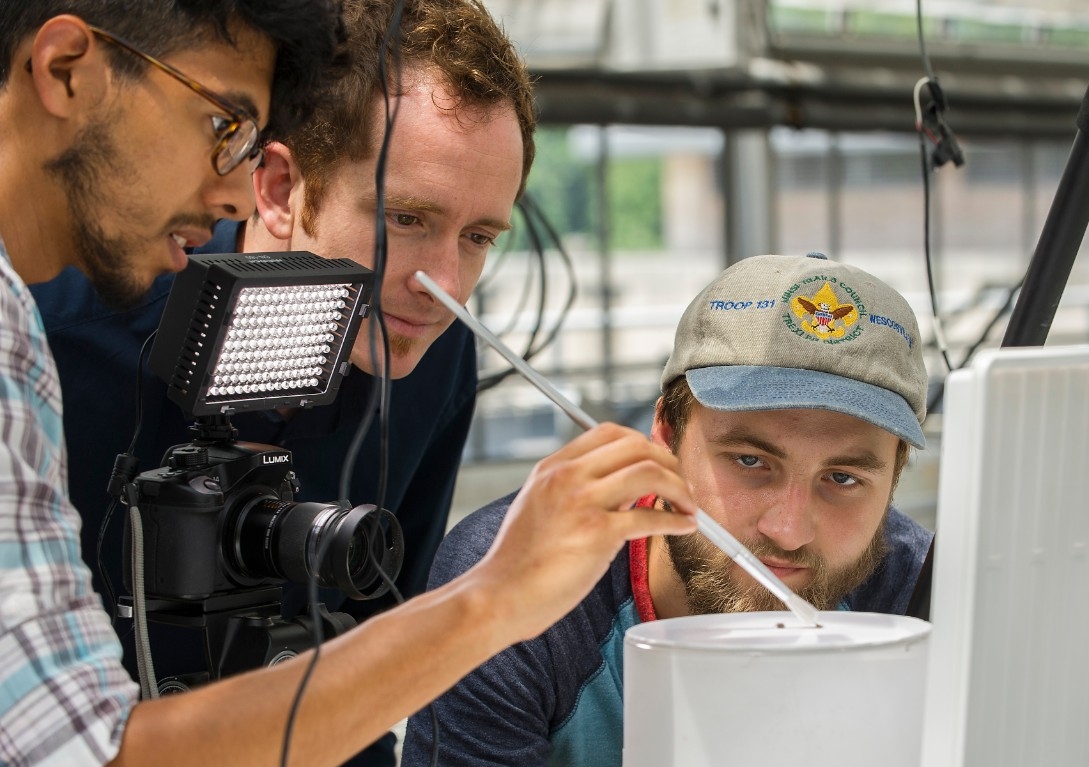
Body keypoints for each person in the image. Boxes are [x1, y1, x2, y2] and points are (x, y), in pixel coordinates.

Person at [0, 4, 697, 766]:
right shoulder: (58, 329)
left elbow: (381, 665)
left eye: (477, 237)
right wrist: (493, 595)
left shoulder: (431, 355)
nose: (442, 284)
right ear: (278, 186)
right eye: (406, 218)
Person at [403, 252, 935, 767]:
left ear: (894, 478)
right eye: (750, 461)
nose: (789, 530)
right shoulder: (518, 579)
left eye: (842, 479)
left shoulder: (923, 591)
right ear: (664, 436)